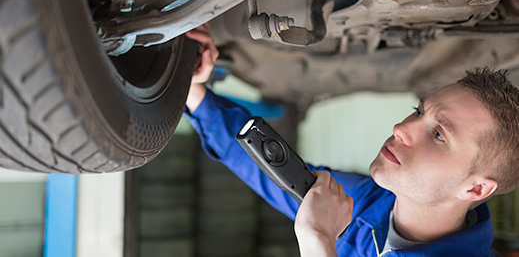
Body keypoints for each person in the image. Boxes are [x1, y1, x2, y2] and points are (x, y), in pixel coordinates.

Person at [184, 24, 519, 256]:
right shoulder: (367, 203)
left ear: (475, 190)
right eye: (418, 112)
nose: (401, 128)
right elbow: (268, 173)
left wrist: (318, 242)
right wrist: (194, 87)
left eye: (437, 135)